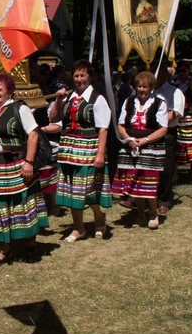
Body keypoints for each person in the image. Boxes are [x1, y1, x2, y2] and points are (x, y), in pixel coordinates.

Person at [0, 73, 49, 265]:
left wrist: (29, 162)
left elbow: (33, 135)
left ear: (10, 92)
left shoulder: (19, 108)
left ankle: (30, 242)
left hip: (14, 165)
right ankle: (5, 247)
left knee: (20, 204)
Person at [51, 59, 111, 242]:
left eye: (82, 75)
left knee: (88, 189)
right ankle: (79, 228)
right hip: (68, 150)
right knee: (71, 190)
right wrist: (58, 100)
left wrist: (100, 153)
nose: (79, 79)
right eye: (76, 76)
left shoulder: (97, 99)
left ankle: (99, 217)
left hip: (88, 149)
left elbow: (103, 128)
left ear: (90, 77)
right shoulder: (68, 97)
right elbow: (54, 119)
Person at [113, 71, 168, 229]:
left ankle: (153, 214)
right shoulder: (128, 101)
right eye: (139, 86)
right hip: (131, 144)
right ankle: (140, 216)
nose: (141, 90)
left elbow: (163, 129)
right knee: (135, 182)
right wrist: (129, 140)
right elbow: (121, 125)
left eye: (145, 86)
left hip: (151, 145)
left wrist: (144, 140)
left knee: (149, 181)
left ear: (151, 87)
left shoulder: (159, 103)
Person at [152, 62, 185, 213]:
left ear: (164, 75)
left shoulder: (175, 92)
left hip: (167, 133)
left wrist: (157, 122)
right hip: (149, 133)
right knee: (149, 166)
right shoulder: (149, 92)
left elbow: (175, 113)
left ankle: (164, 199)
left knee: (166, 168)